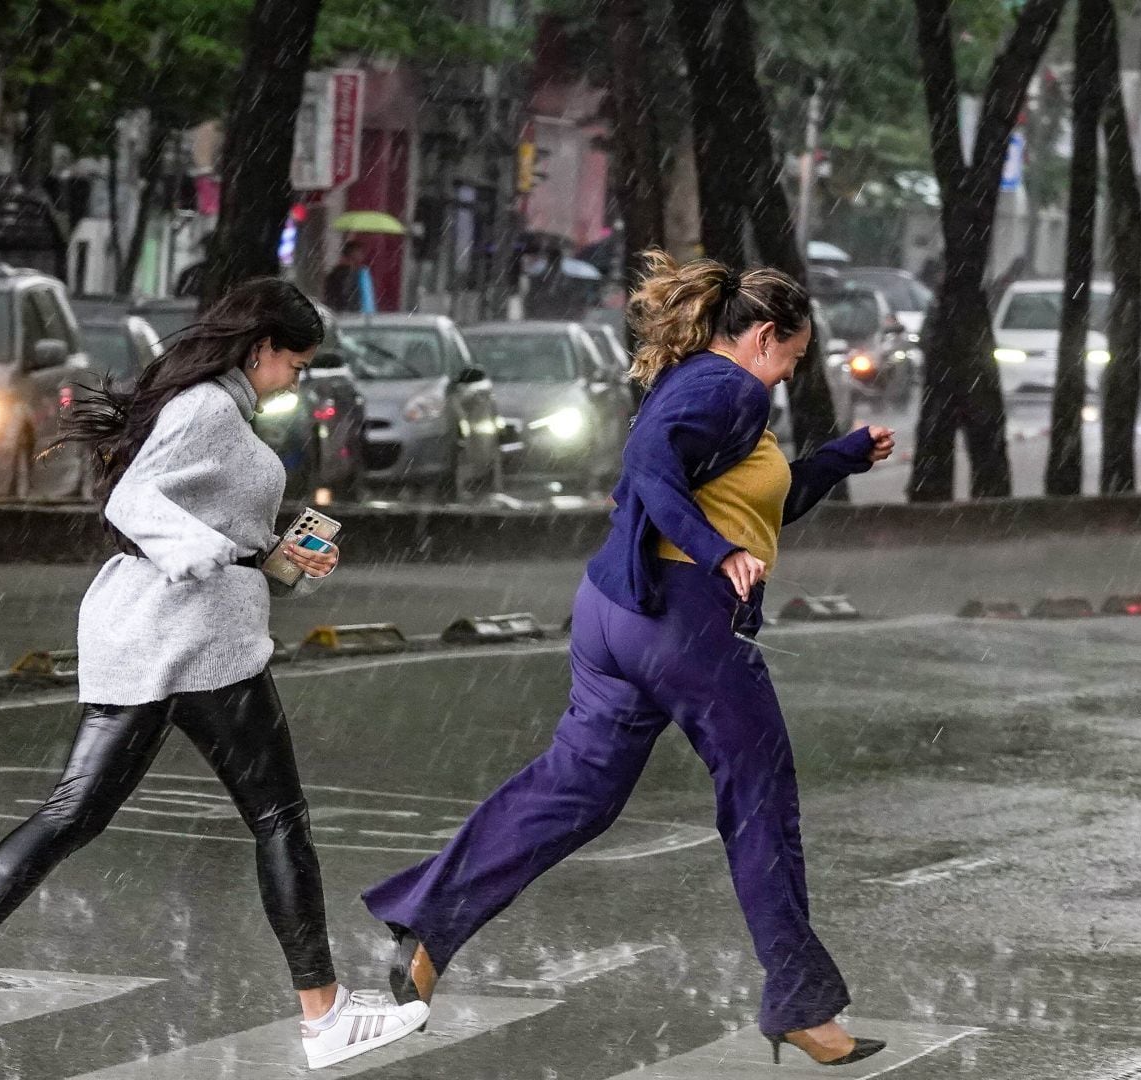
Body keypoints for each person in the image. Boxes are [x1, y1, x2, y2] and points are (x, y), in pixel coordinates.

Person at [362, 252, 897, 1067]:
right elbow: (648, 468)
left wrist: (844, 456)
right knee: (760, 802)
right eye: (790, 356)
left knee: (574, 792)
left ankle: (429, 930)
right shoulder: (731, 388)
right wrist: (719, 555)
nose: (788, 375)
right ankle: (799, 1000)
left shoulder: (697, 386)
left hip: (614, 615)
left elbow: (757, 496)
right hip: (684, 621)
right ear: (760, 337)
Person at [0, 279, 428, 1070]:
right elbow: (138, 501)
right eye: (297, 363)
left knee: (74, 813)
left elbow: (207, 527)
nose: (299, 379)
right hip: (197, 644)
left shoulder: (216, 410)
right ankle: (323, 1016)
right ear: (261, 349)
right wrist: (208, 554)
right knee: (279, 819)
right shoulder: (210, 408)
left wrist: (278, 561)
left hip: (154, 637)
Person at [322, 240, 370, 313]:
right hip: (348, 316)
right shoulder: (348, 274)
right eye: (360, 252)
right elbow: (348, 298)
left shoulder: (335, 273)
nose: (362, 255)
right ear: (353, 254)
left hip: (336, 315)